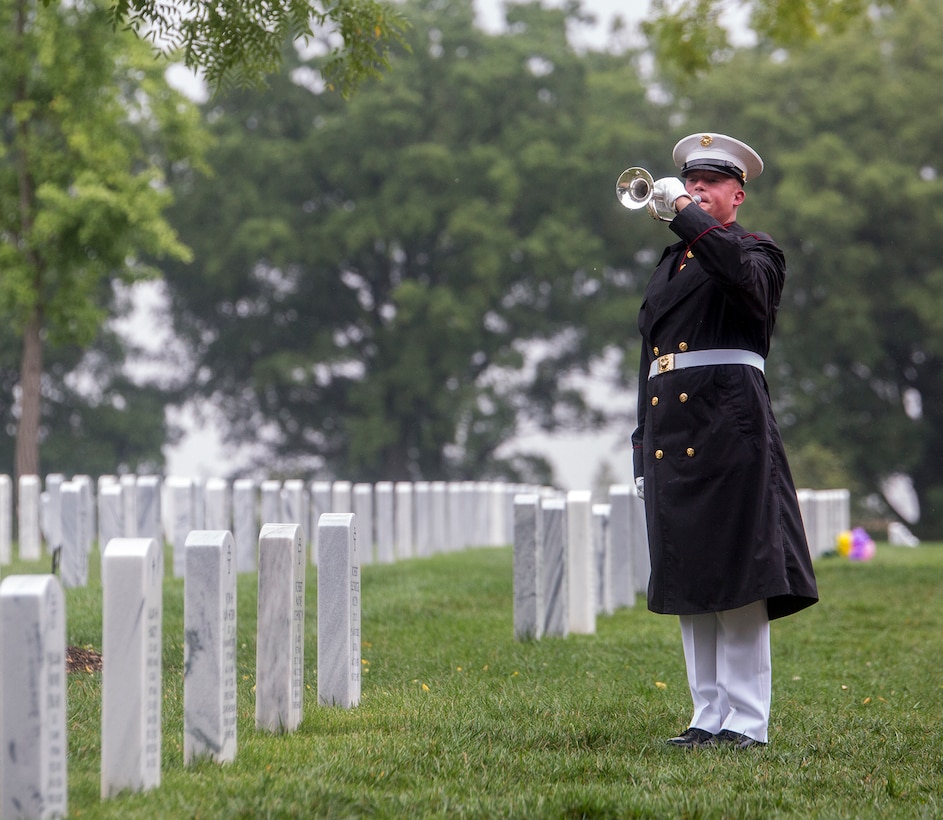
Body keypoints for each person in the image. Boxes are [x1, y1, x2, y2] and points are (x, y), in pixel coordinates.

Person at [630, 132, 818, 750]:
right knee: (691, 579)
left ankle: (745, 721)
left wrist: (686, 218)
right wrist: (640, 447)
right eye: (691, 182)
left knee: (738, 577)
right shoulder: (669, 265)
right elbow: (652, 360)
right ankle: (706, 714)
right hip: (673, 433)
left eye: (711, 184)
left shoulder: (758, 251)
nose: (697, 191)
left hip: (729, 427)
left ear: (737, 194)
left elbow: (740, 276)